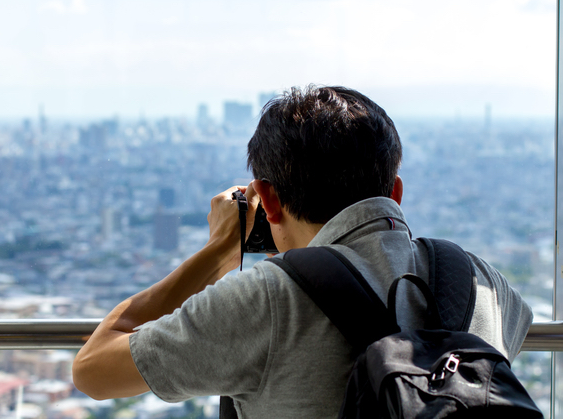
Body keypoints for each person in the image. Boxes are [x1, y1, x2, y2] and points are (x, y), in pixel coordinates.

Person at [72, 85, 533, 417]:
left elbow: (93, 371)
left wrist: (217, 252)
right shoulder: (484, 285)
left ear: (267, 200)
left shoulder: (265, 301)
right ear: (394, 192)